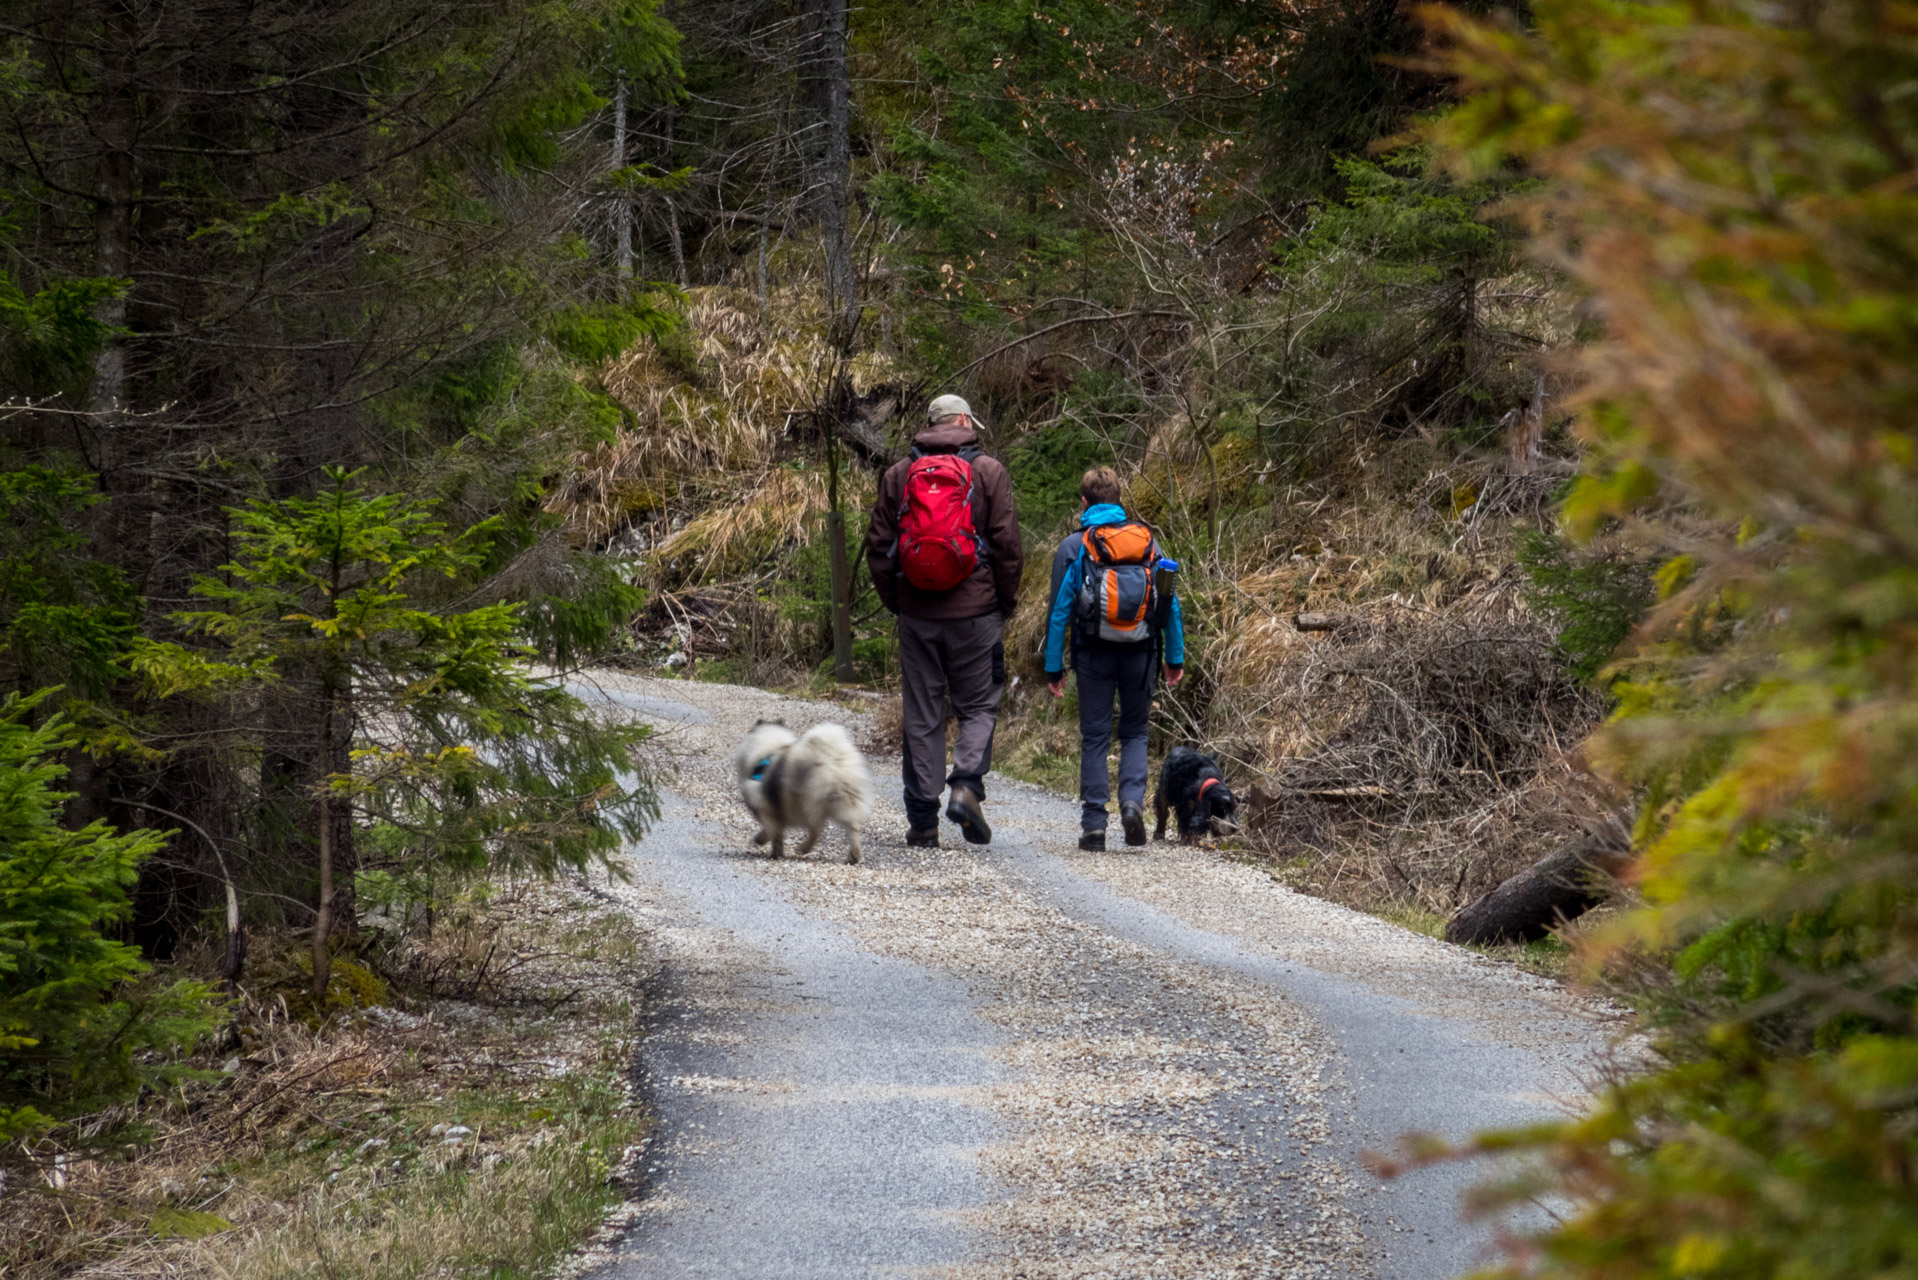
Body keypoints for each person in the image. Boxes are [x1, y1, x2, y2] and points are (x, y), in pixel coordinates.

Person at [865, 394, 1024, 848]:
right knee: (978, 706)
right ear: (962, 421)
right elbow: (1007, 545)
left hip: (917, 614)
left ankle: (922, 821)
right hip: (976, 612)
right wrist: (1004, 603)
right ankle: (966, 787)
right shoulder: (988, 471)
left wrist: (897, 599)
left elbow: (879, 546)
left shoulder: (898, 475)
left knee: (922, 712)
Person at [1042, 466, 1185, 851]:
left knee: (1095, 737)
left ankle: (1093, 827)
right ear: (1119, 501)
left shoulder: (1076, 547)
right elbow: (1169, 603)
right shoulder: (1146, 542)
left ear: (1084, 502)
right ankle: (1132, 805)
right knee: (1136, 732)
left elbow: (1059, 612)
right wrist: (1175, 658)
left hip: (1093, 654)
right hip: (1141, 653)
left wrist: (1053, 666)